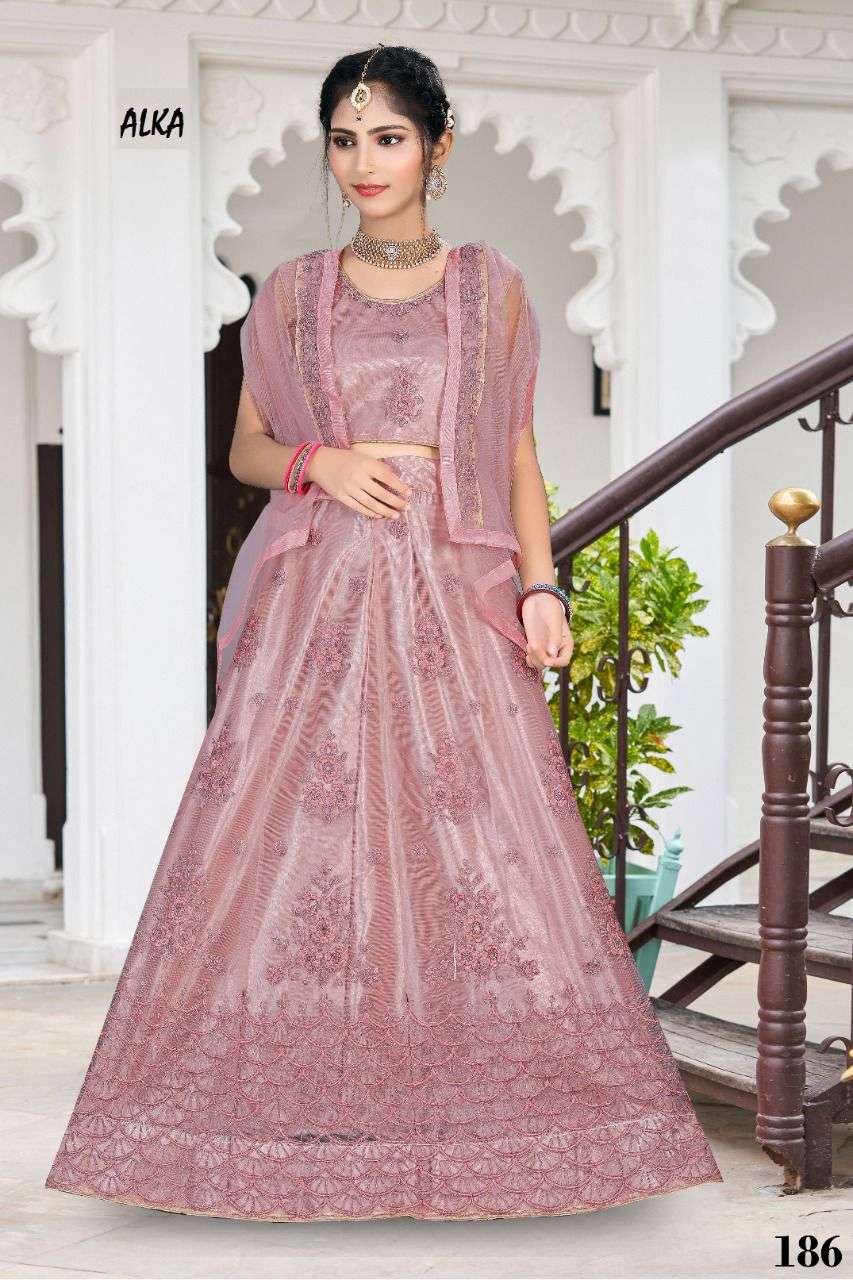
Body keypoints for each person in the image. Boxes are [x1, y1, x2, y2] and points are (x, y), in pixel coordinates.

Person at [45, 43, 723, 1223]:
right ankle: (296, 1098)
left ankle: (471, 1099)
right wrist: (321, 460)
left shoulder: (489, 286)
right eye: (345, 140)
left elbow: (516, 452)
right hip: (322, 591)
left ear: (436, 147)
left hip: (454, 593)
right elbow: (246, 448)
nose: (365, 162)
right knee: (296, 844)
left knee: (475, 839)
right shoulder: (293, 293)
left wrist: (540, 584)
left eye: (389, 138)